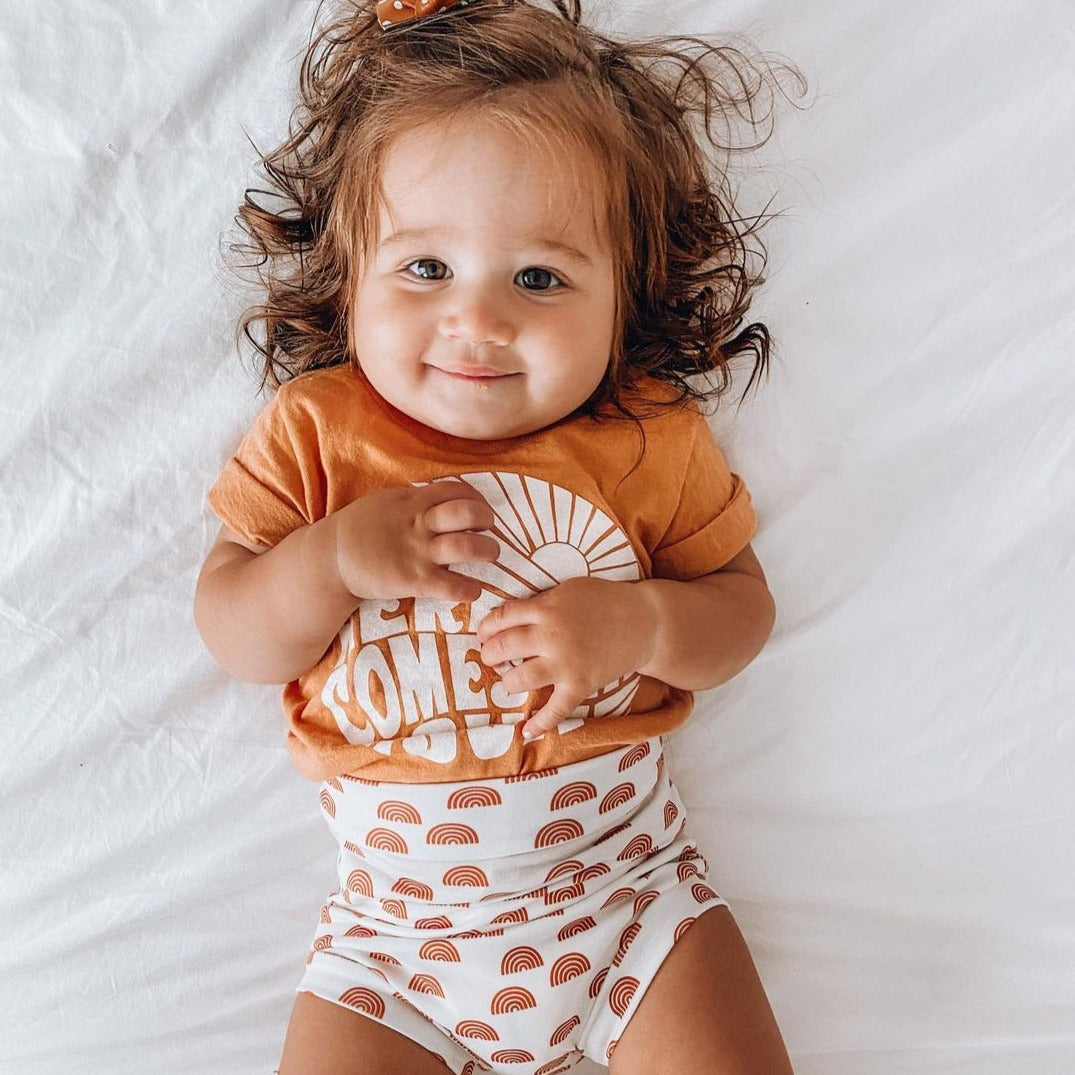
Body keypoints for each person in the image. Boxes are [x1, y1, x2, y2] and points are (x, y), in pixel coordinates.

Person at [194, 1, 798, 1072]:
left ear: (624, 297)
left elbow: (739, 612)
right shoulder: (319, 432)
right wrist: (330, 561)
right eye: (425, 269)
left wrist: (642, 623)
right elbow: (235, 631)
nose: (476, 322)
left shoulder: (645, 435)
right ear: (350, 269)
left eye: (539, 278)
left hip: (629, 901)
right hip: (395, 946)